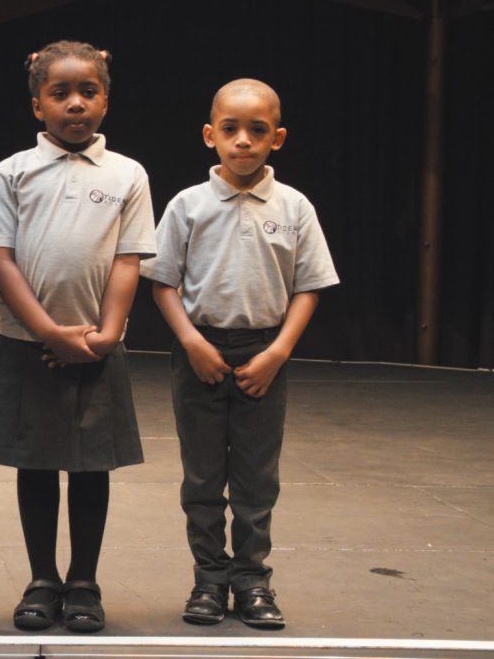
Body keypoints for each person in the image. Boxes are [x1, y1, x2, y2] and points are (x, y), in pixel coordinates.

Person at [0, 40, 156, 633]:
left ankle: (84, 581)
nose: (75, 103)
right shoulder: (11, 172)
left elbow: (129, 259)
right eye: (60, 93)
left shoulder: (128, 174)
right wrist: (48, 329)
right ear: (37, 105)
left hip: (97, 347)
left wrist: (106, 334)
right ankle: (43, 578)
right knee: (37, 464)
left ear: (106, 99)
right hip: (28, 345)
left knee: (90, 467)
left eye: (88, 92)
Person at [142, 79, 338, 630]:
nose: (244, 141)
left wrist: (277, 353)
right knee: (202, 477)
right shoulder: (188, 205)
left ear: (278, 137)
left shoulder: (295, 207)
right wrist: (192, 343)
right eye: (231, 129)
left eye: (258, 130)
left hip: (264, 352)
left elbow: (308, 287)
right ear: (210, 135)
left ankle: (252, 580)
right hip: (200, 351)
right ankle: (209, 578)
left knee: (256, 477)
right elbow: (162, 282)